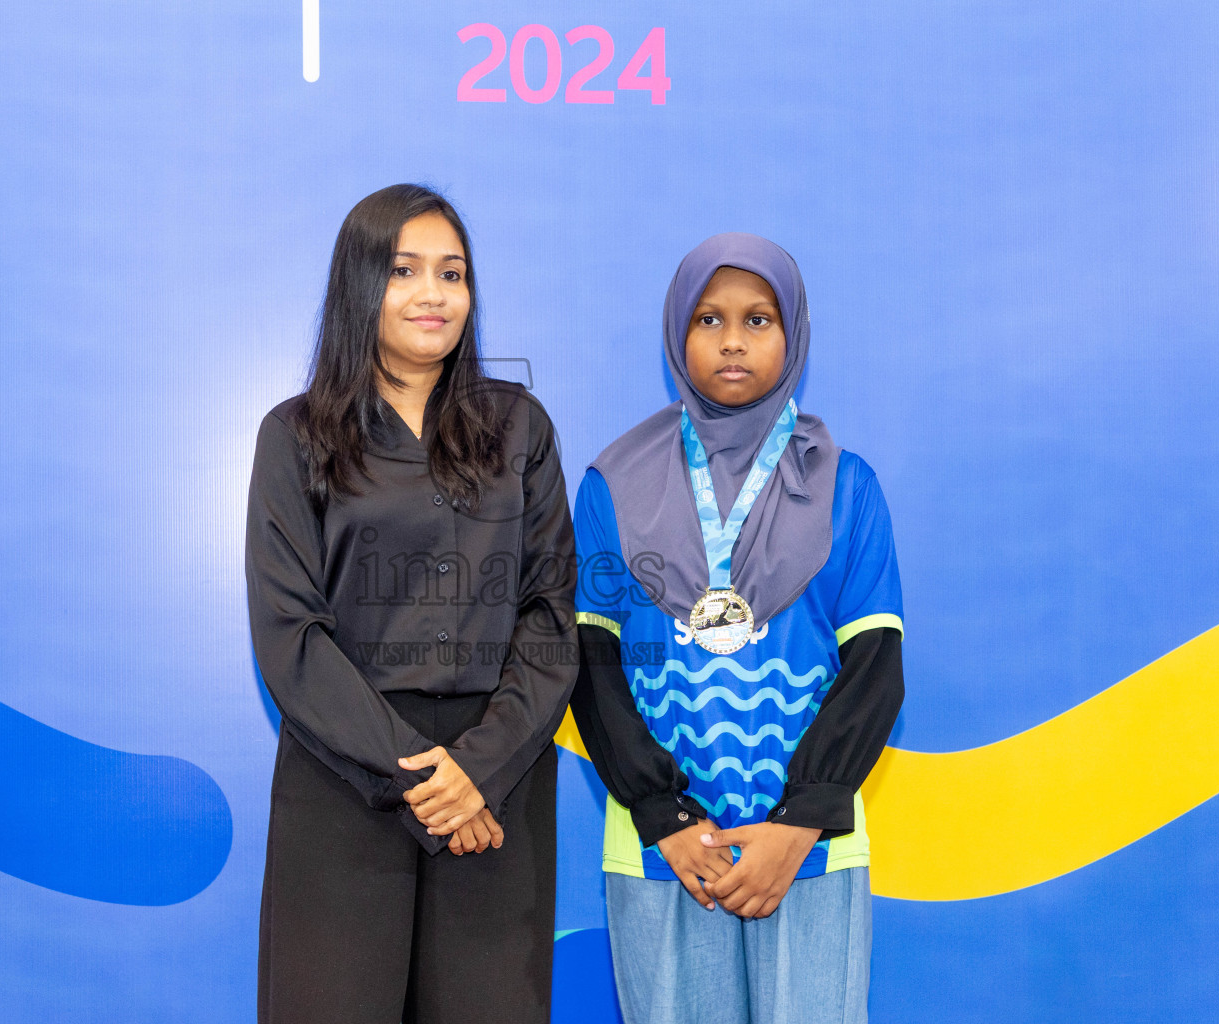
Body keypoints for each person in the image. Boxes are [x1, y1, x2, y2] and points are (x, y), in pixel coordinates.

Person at [245, 183, 577, 1024]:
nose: (434, 294)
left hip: (493, 790)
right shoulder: (295, 435)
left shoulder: (520, 427)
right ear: (361, 285)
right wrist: (424, 781)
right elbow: (292, 636)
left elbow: (548, 617)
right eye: (405, 270)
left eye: (453, 273)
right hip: (344, 779)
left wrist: (479, 771)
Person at [569, 234, 905, 1024]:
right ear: (677, 335)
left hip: (810, 852)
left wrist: (799, 824)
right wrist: (666, 818)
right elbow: (590, 663)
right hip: (662, 855)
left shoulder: (846, 486)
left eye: (758, 320)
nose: (731, 340)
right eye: (708, 318)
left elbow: (876, 667)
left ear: (793, 336)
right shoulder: (611, 485)